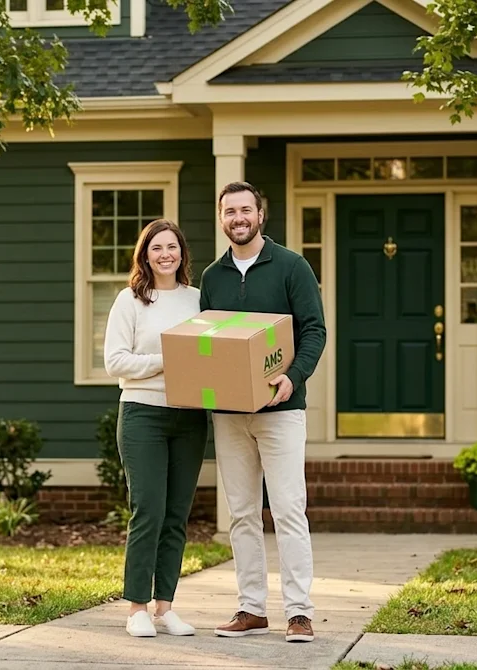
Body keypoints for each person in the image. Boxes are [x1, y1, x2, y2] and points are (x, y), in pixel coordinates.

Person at [199, 181, 326, 643]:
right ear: (221, 218)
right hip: (229, 413)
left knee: (289, 510)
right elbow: (207, 343)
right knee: (242, 513)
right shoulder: (212, 277)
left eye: (245, 210)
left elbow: (314, 330)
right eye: (229, 211)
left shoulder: (292, 266)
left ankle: (299, 612)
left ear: (260, 214)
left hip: (281, 410)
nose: (238, 218)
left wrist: (293, 377)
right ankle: (251, 608)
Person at [103, 218, 208, 638]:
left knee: (177, 514)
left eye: (172, 247)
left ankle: (165, 607)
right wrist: (168, 360)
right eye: (157, 248)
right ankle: (137, 608)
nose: (166, 255)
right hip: (142, 414)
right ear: (144, 255)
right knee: (148, 510)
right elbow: (115, 361)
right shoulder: (130, 300)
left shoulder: (198, 300)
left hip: (190, 416)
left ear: (182, 253)